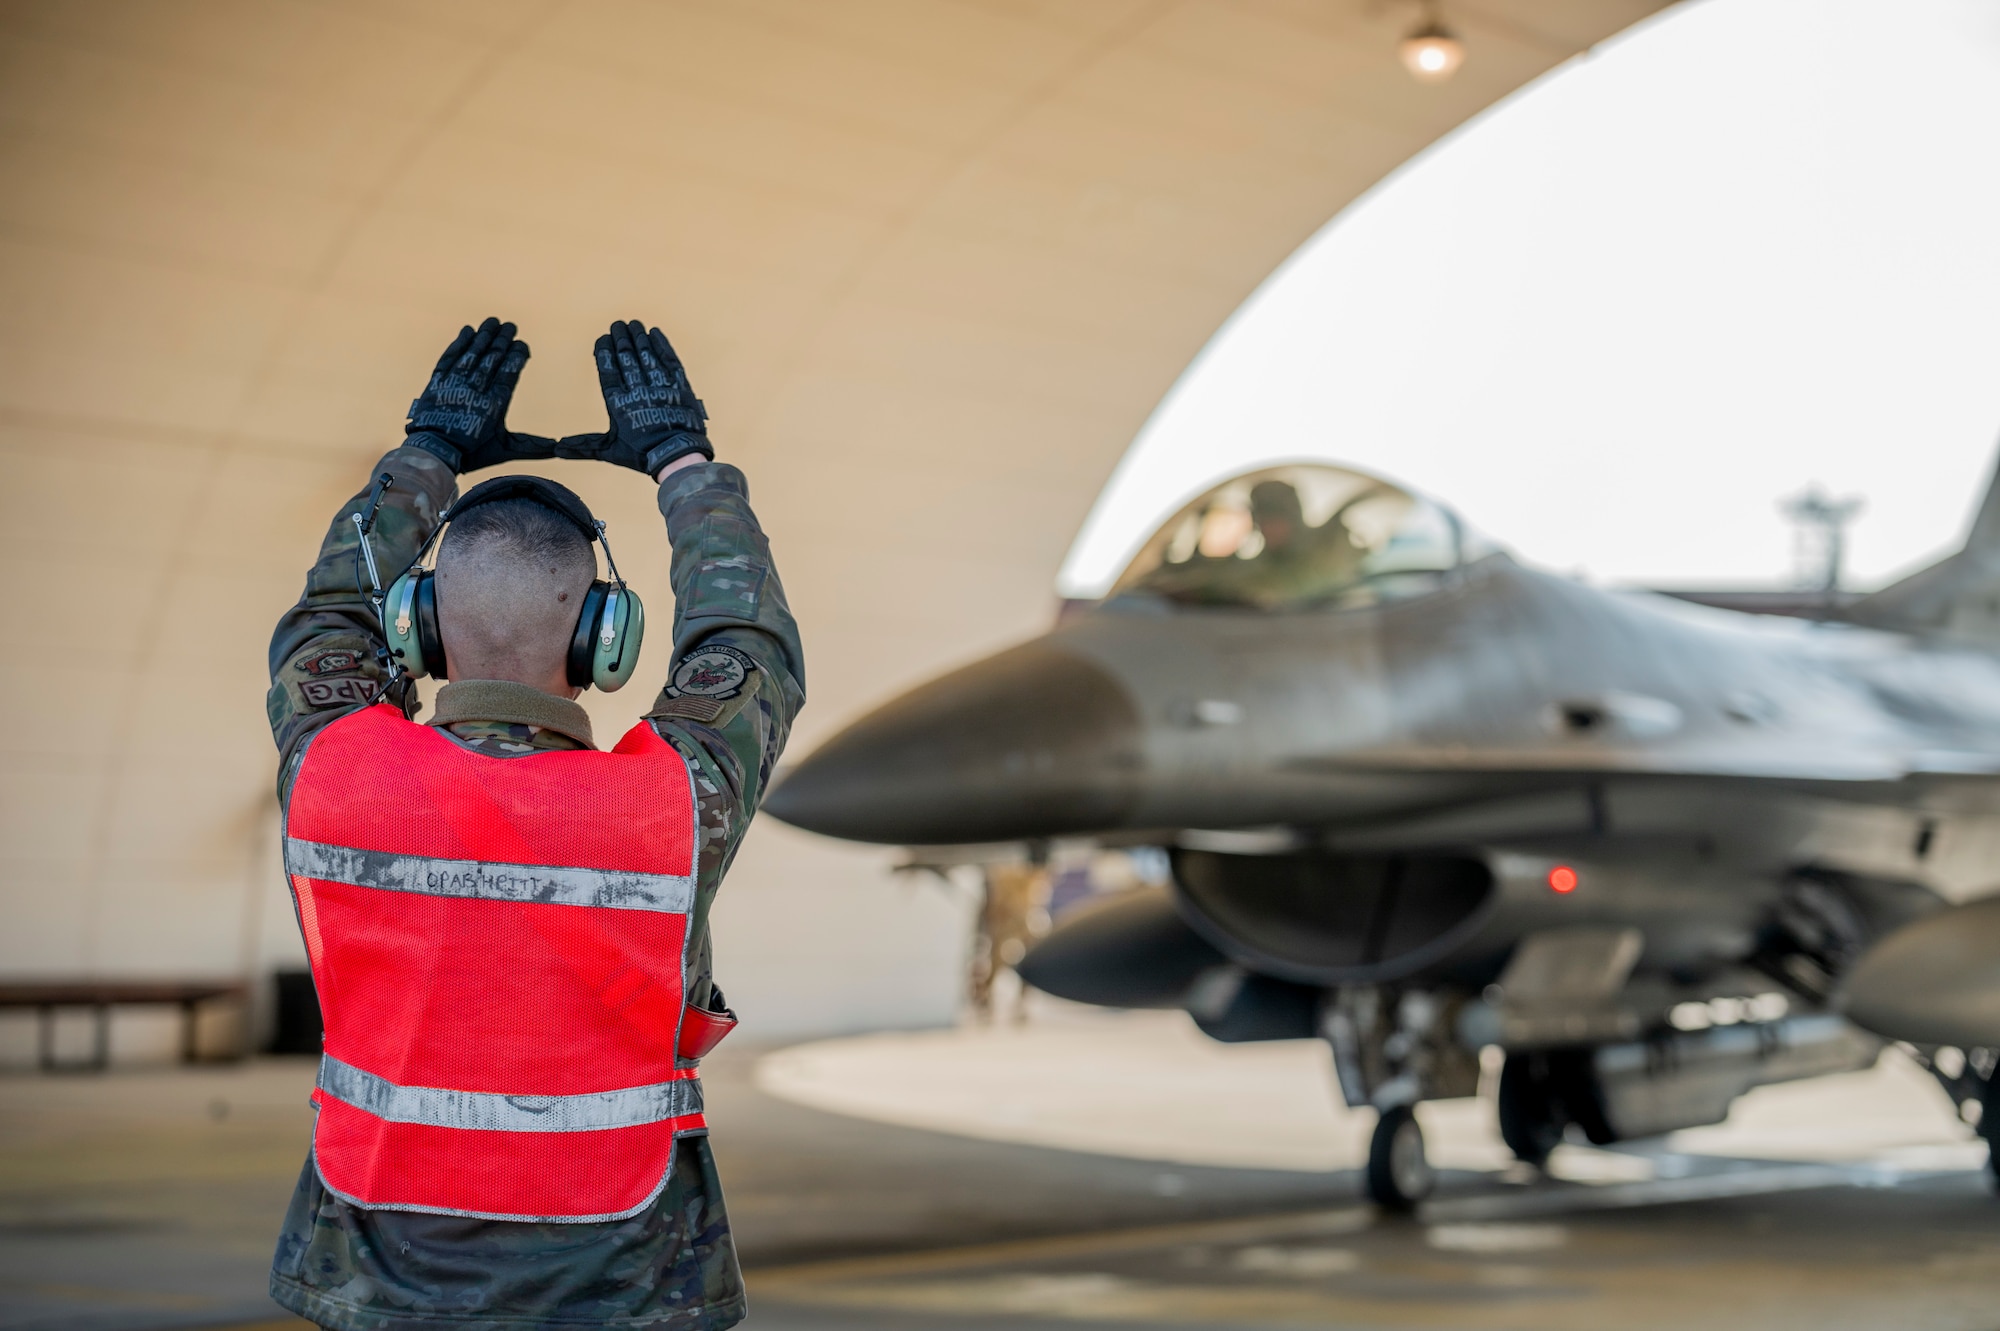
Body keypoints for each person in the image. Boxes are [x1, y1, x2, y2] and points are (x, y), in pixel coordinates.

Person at [263, 317, 803, 1331]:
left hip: (377, 1270)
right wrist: (682, 463)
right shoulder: (675, 800)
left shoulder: (335, 770)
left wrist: (425, 458)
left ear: (417, 625)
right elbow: (748, 640)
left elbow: (328, 616)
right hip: (623, 1278)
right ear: (606, 639)